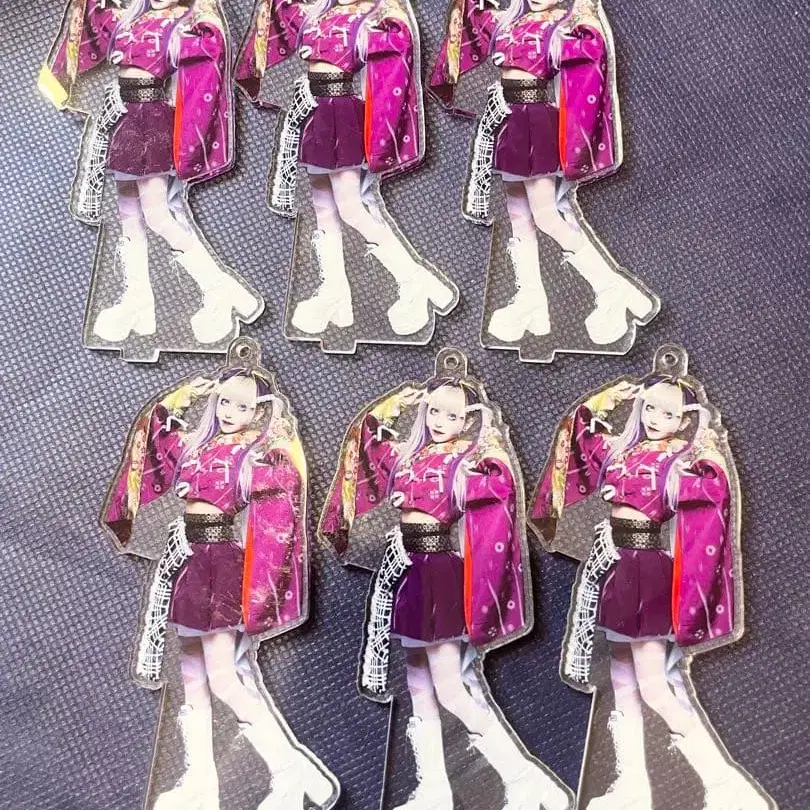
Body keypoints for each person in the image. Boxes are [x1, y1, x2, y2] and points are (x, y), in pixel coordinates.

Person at [321, 373, 570, 810]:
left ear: (468, 420)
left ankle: (524, 777)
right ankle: (434, 790)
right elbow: (368, 444)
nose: (439, 420)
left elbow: (498, 489)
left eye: (452, 415)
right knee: (418, 685)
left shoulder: (468, 461)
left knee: (450, 687)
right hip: (410, 568)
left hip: (440, 571)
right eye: (433, 410)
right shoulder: (411, 455)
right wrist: (396, 403)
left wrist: (488, 440)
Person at [104, 364, 337, 810]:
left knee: (225, 677)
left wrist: (275, 438)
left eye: (243, 406)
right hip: (190, 558)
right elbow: (156, 441)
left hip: (222, 561)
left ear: (259, 411)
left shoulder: (255, 454)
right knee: (191, 674)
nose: (230, 411)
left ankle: (289, 769)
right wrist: (180, 398)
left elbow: (283, 490)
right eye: (225, 401)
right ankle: (201, 783)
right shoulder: (200, 443)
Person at [530, 375, 769, 810]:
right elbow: (580, 438)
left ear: (685, 419)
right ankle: (632, 787)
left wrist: (704, 442)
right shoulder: (625, 449)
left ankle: (724, 784)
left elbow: (711, 486)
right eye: (651, 408)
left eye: (670, 413)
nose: (658, 418)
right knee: (622, 682)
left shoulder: (681, 457)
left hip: (648, 566)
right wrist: (607, 398)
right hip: (617, 564)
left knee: (655, 686)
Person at [429, 0, 655, 345]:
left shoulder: (566, 27)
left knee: (546, 215)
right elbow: (475, 22)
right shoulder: (510, 22)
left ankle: (612, 287)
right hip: (509, 118)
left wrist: (585, 15)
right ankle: (531, 299)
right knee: (517, 215)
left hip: (536, 119)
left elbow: (587, 58)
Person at [40, 0, 260, 344]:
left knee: (158, 214)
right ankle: (138, 300)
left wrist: (205, 18)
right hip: (124, 117)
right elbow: (95, 22)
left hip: (153, 119)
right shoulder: (130, 19)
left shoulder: (186, 24)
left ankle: (220, 287)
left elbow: (207, 56)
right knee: (128, 217)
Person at [236, 0, 455, 336]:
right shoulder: (320, 13)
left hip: (343, 112)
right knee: (322, 209)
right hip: (315, 109)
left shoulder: (375, 18)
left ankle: (414, 278)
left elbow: (391, 59)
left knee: (352, 206)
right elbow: (283, 21)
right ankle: (335, 291)